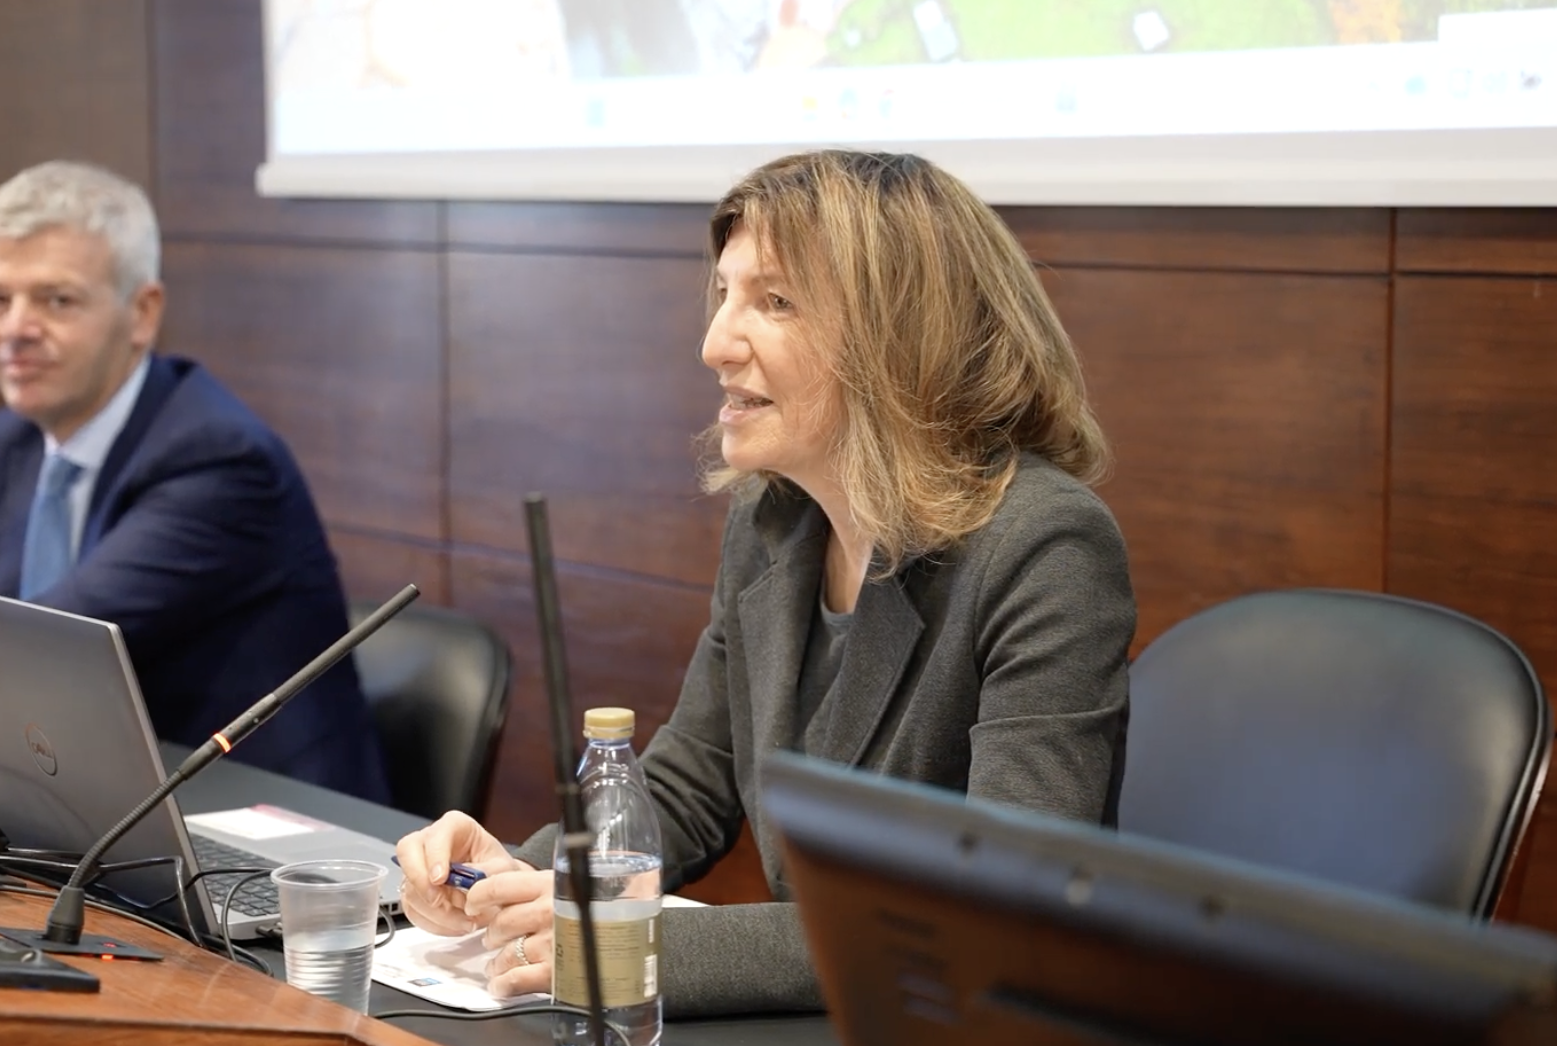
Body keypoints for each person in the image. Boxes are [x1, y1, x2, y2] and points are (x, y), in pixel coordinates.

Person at [395, 150, 1135, 1016]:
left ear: (902, 335)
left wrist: (625, 947)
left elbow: (999, 909)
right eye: (724, 294)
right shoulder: (775, 519)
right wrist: (525, 876)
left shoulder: (1046, 547)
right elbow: (687, 789)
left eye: (775, 301)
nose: (714, 344)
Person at [0, 160, 389, 804]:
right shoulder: (10, 445)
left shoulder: (218, 460)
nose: (15, 329)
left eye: (57, 300)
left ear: (142, 313)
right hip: (75, 800)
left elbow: (39, 651)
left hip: (253, 820)